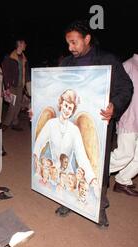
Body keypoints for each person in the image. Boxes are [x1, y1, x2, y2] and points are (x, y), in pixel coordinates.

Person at [54, 20, 133, 227]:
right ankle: (69, 201)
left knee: (96, 168)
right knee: (69, 162)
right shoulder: (66, 64)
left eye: (74, 42)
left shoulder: (107, 61)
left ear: (87, 39)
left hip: (98, 127)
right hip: (70, 126)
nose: (70, 48)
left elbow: (125, 87)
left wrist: (114, 107)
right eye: (68, 43)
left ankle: (99, 209)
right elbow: (55, 92)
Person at [33, 89, 98, 193]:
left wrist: (92, 179)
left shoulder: (74, 130)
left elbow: (81, 156)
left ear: (72, 111)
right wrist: (36, 159)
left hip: (68, 175)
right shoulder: (50, 124)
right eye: (66, 105)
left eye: (70, 108)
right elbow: (39, 143)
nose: (67, 110)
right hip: (53, 171)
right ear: (61, 104)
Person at [109, 53, 138, 197]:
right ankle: (95, 170)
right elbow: (116, 90)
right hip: (129, 117)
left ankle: (123, 181)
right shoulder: (128, 65)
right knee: (125, 154)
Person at [1, 38, 29, 132]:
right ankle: (5, 124)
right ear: (20, 44)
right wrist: (7, 87)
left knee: (18, 105)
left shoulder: (24, 58)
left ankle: (15, 122)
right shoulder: (10, 57)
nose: (25, 45)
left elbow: (25, 72)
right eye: (24, 43)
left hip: (20, 85)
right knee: (12, 105)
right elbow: (5, 73)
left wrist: (26, 85)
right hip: (12, 86)